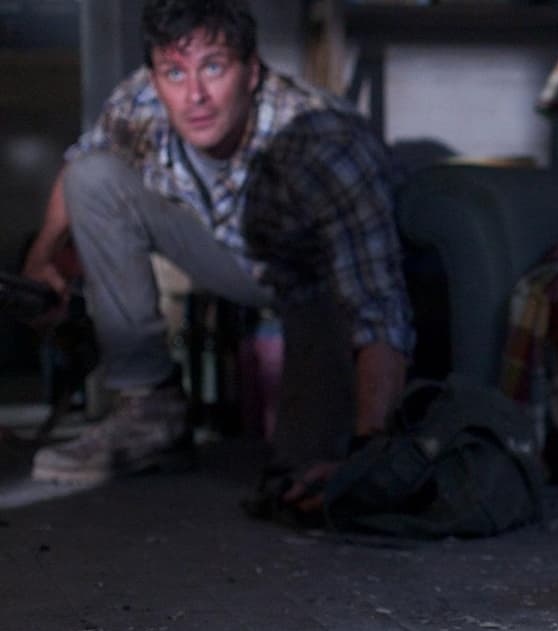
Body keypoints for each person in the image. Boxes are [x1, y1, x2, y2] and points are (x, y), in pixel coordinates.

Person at [20, 0, 414, 516]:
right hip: (230, 253)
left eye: (213, 67)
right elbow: (78, 167)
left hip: (319, 287)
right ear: (155, 78)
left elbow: (377, 308)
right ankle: (150, 409)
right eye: (174, 73)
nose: (194, 96)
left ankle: (342, 443)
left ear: (251, 72)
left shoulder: (326, 145)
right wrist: (41, 260)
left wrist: (370, 449)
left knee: (308, 483)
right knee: (94, 177)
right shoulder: (140, 101)